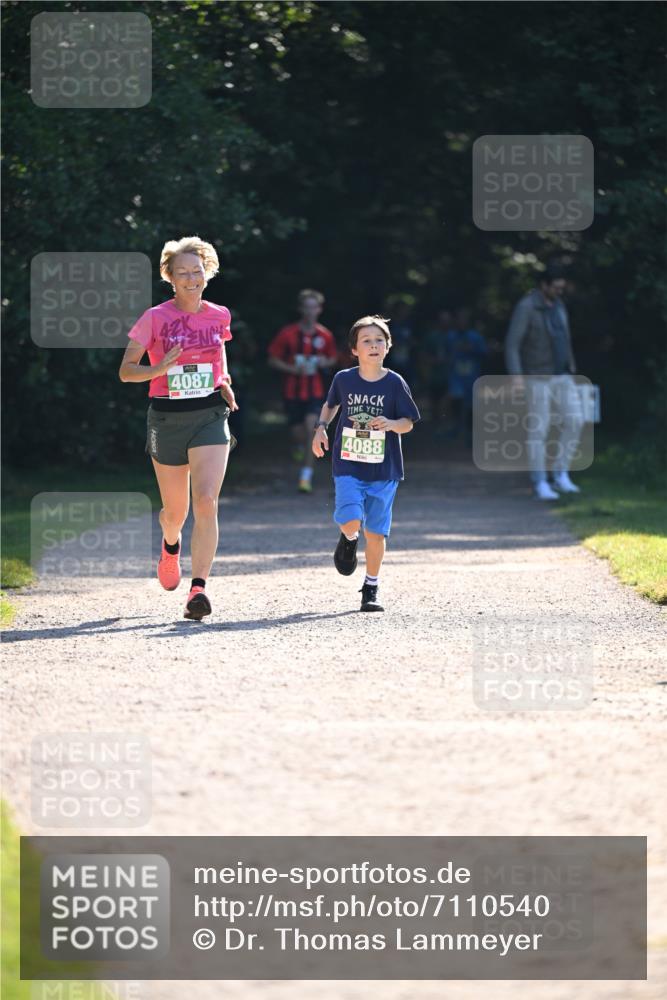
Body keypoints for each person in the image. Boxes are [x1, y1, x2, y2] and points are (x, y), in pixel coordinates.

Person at [119, 236, 238, 621]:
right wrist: (157, 369)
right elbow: (126, 371)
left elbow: (219, 352)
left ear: (208, 272)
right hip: (167, 418)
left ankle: (198, 590)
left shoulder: (219, 314)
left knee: (206, 502)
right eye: (182, 272)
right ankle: (171, 546)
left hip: (209, 415)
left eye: (197, 270)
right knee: (176, 512)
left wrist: (224, 380)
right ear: (169, 277)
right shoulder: (155, 317)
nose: (191, 277)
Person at [312, 314, 420, 612]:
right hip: (348, 462)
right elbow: (332, 404)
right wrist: (321, 428)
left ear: (388, 346)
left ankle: (371, 587)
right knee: (350, 519)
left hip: (384, 469)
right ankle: (348, 538)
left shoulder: (395, 383)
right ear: (354, 350)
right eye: (366, 341)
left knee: (376, 532)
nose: (374, 345)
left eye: (379, 340)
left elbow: (408, 423)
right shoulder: (343, 379)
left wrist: (390, 423)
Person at [505, 266, 584, 500]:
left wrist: (572, 367)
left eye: (562, 287)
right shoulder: (526, 307)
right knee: (539, 429)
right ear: (544, 285)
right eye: (556, 287)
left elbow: (565, 338)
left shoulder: (559, 305)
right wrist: (517, 377)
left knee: (576, 421)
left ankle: (561, 474)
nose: (560, 291)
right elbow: (512, 344)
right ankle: (540, 482)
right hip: (537, 377)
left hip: (563, 375)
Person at [268, 289, 338, 493]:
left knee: (312, 429)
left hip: (315, 392)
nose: (310, 311)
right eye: (306, 307)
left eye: (313, 307)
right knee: (298, 434)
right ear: (300, 309)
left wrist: (326, 361)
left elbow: (333, 358)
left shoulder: (325, 335)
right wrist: (292, 368)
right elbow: (272, 359)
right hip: (292, 393)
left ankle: (305, 477)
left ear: (319, 309)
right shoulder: (288, 334)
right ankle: (298, 446)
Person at [445, 307, 487, 445]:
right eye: (459, 319)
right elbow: (445, 354)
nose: (461, 322)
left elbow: (484, 353)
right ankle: (456, 428)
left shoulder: (475, 337)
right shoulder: (450, 336)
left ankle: (470, 432)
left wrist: (472, 350)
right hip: (456, 375)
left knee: (470, 405)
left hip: (471, 376)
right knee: (456, 400)